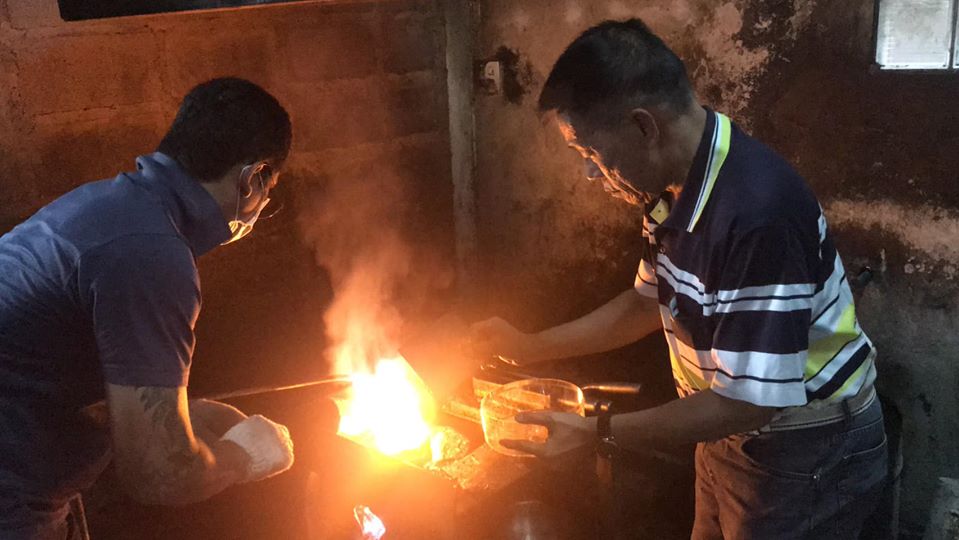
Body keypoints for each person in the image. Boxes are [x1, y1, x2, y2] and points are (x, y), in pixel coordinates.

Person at [470, 20, 887, 539]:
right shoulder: (675, 189)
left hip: (803, 453)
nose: (591, 174)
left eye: (591, 153)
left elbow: (748, 401)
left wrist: (597, 430)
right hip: (726, 429)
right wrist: (527, 347)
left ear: (644, 127)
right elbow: (646, 303)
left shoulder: (758, 214)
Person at [0, 78, 296, 539]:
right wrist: (245, 455)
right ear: (251, 178)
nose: (262, 205)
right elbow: (158, 475)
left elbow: (41, 367)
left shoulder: (111, 204)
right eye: (268, 189)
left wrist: (181, 415)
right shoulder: (153, 254)